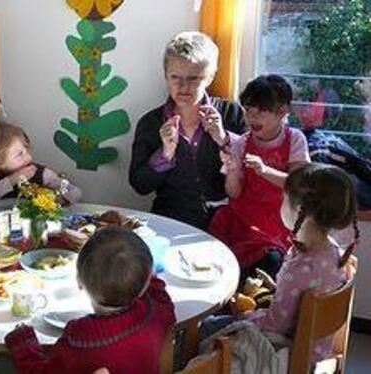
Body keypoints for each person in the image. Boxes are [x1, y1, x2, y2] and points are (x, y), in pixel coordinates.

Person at [204, 164, 359, 363]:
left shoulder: (302, 268)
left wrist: (245, 314)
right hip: (318, 349)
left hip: (290, 353)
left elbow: (274, 326)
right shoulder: (333, 251)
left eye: (284, 199)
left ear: (301, 210)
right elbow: (302, 299)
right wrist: (275, 287)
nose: (280, 203)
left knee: (208, 327)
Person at [4, 227, 175, 373]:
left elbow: (43, 371)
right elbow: (158, 290)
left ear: (79, 281)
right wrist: (144, 275)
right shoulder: (156, 311)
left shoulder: (79, 339)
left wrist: (24, 344)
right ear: (146, 285)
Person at [129, 31, 246, 230]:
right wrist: (165, 154)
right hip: (169, 217)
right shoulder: (151, 122)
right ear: (165, 75)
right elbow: (140, 185)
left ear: (210, 77)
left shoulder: (231, 114)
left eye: (193, 79)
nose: (183, 87)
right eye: (175, 77)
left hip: (224, 218)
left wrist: (224, 139)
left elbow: (250, 176)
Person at [209, 75, 310, 277]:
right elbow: (234, 193)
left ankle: (259, 306)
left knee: (271, 261)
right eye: (248, 110)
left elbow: (301, 186)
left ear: (282, 112)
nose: (252, 118)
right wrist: (232, 169)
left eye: (262, 111)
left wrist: (265, 170)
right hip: (241, 219)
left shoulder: (295, 139)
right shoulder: (241, 143)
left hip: (279, 222)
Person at [0, 122, 81, 206]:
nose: (29, 157)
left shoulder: (41, 173)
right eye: (19, 154)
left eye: (27, 150)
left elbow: (74, 191)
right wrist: (13, 179)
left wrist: (62, 199)